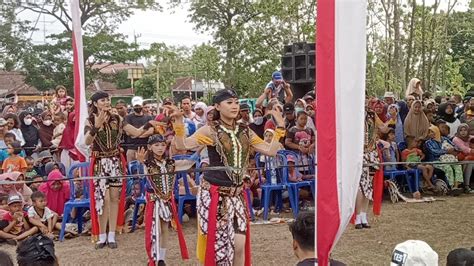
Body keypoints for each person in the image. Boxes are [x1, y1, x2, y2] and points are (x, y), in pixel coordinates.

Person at [169, 88, 285, 265]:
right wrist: (178, 123)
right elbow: (182, 145)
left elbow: (270, 151)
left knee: (239, 245)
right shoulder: (209, 131)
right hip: (216, 195)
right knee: (221, 249)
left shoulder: (245, 131)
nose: (234, 106)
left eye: (236, 102)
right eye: (229, 103)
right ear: (217, 106)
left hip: (236, 196)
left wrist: (280, 128)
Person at [136, 135, 193, 266]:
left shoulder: (170, 163)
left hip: (166, 200)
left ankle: (162, 258)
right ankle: (153, 257)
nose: (160, 148)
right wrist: (140, 162)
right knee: (155, 230)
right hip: (154, 201)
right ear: (150, 147)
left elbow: (189, 163)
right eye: (156, 145)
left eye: (162, 145)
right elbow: (140, 174)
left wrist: (200, 149)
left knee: (165, 229)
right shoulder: (147, 164)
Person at [84, 91, 129, 249]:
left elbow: (129, 132)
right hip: (100, 162)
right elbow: (86, 141)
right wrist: (96, 127)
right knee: (102, 199)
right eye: (102, 100)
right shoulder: (89, 120)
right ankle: (102, 235)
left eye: (107, 99)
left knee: (114, 198)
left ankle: (112, 235)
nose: (106, 102)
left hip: (115, 161)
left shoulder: (117, 118)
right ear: (95, 103)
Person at [355, 108, 380, 229]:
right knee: (360, 186)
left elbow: (380, 129)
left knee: (368, 185)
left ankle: (363, 216)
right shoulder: (354, 116)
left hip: (371, 154)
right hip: (358, 154)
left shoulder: (371, 115)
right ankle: (358, 216)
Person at [425, 125, 463, 192]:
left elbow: (455, 147)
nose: (430, 134)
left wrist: (453, 149)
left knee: (457, 166)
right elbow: (434, 152)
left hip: (449, 159)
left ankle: (456, 186)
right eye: (429, 132)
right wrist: (446, 151)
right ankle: (451, 186)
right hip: (436, 161)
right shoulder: (428, 143)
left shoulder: (444, 139)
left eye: (432, 132)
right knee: (448, 168)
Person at [123, 96, 155, 162]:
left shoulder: (149, 118)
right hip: (132, 148)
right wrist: (140, 133)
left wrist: (136, 134)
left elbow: (151, 131)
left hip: (145, 148)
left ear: (142, 105)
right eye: (135, 105)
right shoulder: (128, 117)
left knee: (145, 169)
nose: (137, 107)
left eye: (139, 105)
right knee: (131, 169)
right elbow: (128, 133)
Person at [452, 124, 474, 193]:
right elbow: (464, 149)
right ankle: (466, 186)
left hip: (470, 158)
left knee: (469, 161)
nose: (463, 132)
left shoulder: (470, 138)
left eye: (465, 130)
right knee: (469, 162)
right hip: (460, 160)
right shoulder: (456, 139)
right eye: (461, 130)